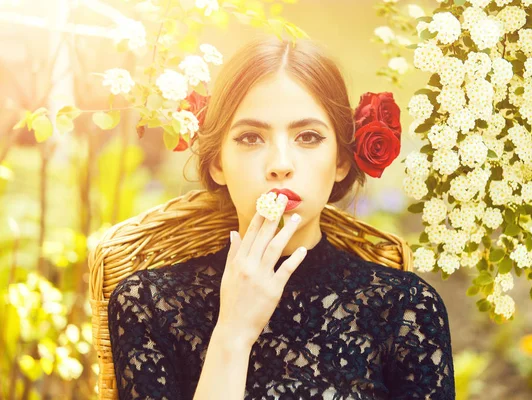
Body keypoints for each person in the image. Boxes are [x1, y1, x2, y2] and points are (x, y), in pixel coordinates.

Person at [108, 35, 455, 400]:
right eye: (250, 138)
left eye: (307, 137)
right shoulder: (148, 306)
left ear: (340, 160)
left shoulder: (405, 310)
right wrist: (233, 334)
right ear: (216, 162)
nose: (280, 165)